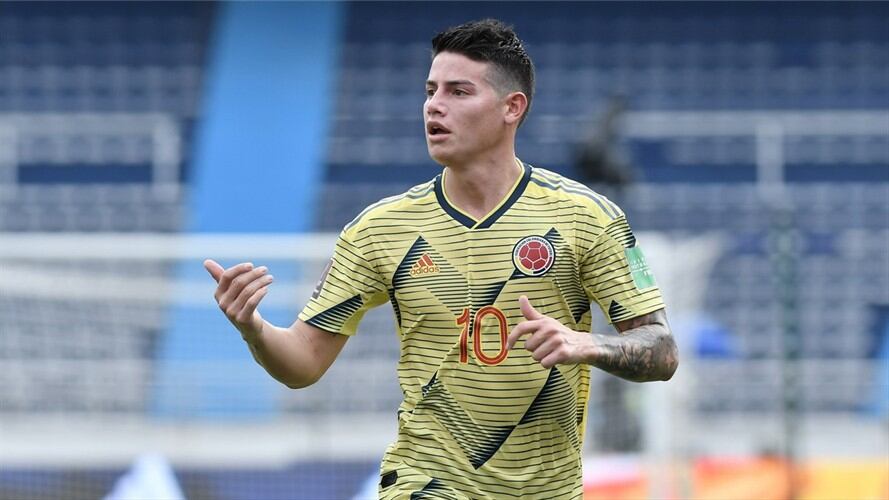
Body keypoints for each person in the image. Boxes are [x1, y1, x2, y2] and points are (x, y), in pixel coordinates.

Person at [204, 19, 678, 499]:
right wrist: (255, 330)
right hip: (424, 482)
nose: (434, 105)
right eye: (431, 90)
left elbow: (661, 350)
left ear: (512, 107)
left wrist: (586, 344)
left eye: (458, 91)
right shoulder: (378, 229)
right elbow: (302, 363)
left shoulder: (587, 217)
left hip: (547, 488)